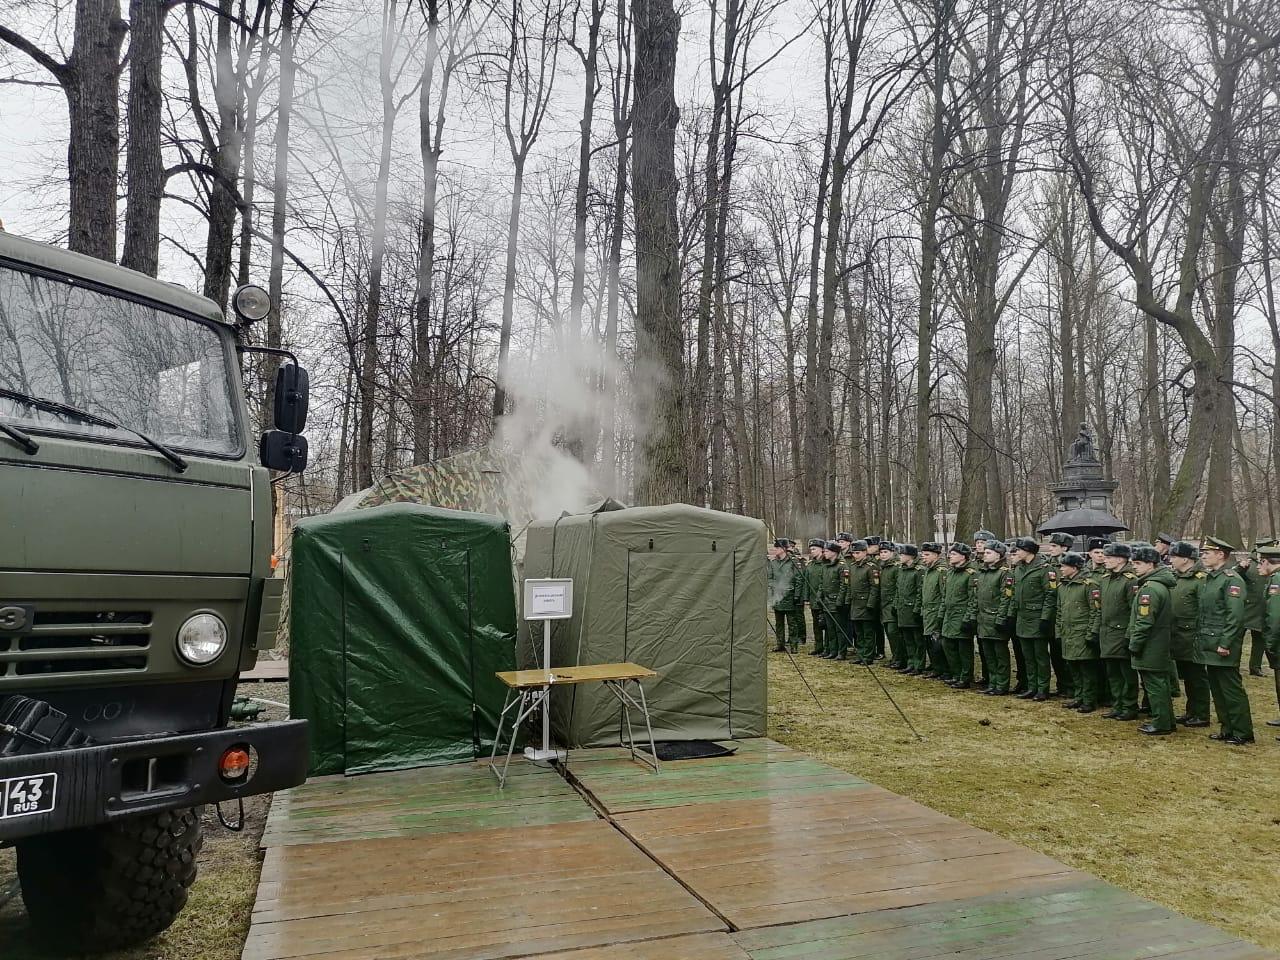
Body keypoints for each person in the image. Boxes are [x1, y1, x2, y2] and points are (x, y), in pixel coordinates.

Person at [1197, 536, 1253, 744]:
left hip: (1222, 643)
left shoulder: (1232, 580)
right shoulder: (1211, 578)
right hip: (1209, 641)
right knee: (1217, 687)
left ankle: (1242, 731)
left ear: (1221, 555)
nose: (1203, 556)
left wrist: (1226, 642)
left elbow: (1235, 615)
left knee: (1230, 687)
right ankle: (1227, 727)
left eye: (1207, 552)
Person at [1127, 544, 1177, 735]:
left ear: (1151, 564)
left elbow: (1144, 621)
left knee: (1155, 685)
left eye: (1138, 563)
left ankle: (1161, 723)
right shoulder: (1157, 586)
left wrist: (1135, 643)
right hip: (1158, 643)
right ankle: (1166, 720)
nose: (1135, 567)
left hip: (1151, 645)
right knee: (1160, 684)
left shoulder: (1150, 590)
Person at [1167, 540, 1211, 728]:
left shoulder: (1200, 580)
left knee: (1197, 677)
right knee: (1187, 676)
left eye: (1174, 557)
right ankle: (1191, 711)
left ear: (1186, 559)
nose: (1171, 560)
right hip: (1178, 635)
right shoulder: (1176, 577)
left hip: (1193, 636)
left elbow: (1205, 609)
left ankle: (1201, 714)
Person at [1010, 536, 1056, 701]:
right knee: (1027, 656)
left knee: (1040, 656)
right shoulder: (1018, 569)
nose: (1017, 552)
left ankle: (1043, 688)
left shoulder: (1045, 569)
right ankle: (1032, 686)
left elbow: (1050, 595)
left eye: (1020, 550)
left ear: (1028, 551)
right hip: (1022, 618)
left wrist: (1045, 618)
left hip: (1037, 618)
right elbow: (1013, 593)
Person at [1098, 542, 1139, 721]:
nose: (1104, 560)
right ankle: (1117, 705)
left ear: (1121, 559)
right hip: (1107, 633)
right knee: (1112, 672)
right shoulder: (1105, 579)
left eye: (1108, 557)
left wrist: (1129, 635)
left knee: (1126, 673)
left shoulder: (1131, 581)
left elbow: (1134, 611)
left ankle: (1129, 706)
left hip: (1122, 633)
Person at [1056, 552, 1102, 712]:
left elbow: (1096, 612)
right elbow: (1059, 611)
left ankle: (1089, 700)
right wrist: (1058, 632)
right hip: (1068, 633)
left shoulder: (1089, 585)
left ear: (1074, 568)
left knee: (1086, 669)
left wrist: (1091, 634)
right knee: (1073, 667)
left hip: (1082, 633)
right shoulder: (1062, 586)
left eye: (1064, 566)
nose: (1061, 569)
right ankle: (1079, 696)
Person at [974, 541, 1014, 695]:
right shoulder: (982, 572)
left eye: (989, 553)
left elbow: (1006, 597)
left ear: (999, 555)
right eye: (985, 552)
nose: (985, 555)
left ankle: (1002, 684)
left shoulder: (1004, 573)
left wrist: (1001, 618)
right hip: (983, 619)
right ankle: (992, 682)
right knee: (988, 654)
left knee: (1000, 654)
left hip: (996, 618)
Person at [941, 543, 979, 689]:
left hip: (962, 615)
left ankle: (965, 677)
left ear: (963, 557)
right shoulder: (950, 573)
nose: (950, 556)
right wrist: (941, 615)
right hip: (949, 615)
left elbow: (973, 598)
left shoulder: (970, 574)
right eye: (950, 553)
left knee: (963, 648)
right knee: (948, 645)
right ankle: (956, 674)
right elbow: (945, 596)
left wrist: (968, 618)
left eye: (954, 554)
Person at [1043, 532, 1075, 697]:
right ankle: (1062, 684)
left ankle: (1071, 686)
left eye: (1054, 546)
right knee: (1055, 654)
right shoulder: (1048, 565)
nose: (1051, 549)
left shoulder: (1071, 565)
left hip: (1065, 615)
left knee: (1066, 654)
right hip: (1051, 615)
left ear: (1065, 548)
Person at [1234, 544, 1269, 677]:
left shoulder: (1271, 563)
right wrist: (1240, 567)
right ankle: (1234, 664)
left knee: (1259, 641)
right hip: (1245, 607)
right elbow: (1234, 576)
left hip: (1261, 608)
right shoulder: (1248, 563)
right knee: (1237, 639)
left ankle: (1255, 667)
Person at [1257, 544, 1280, 737]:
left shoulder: (1277, 581)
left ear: (1267, 562)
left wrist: (1270, 644)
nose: (1258, 567)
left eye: (1260, 562)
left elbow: (1274, 616)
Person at [844, 539, 879, 663]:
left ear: (865, 552)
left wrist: (870, 604)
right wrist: (847, 601)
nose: (855, 555)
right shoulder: (852, 567)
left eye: (858, 553)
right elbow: (849, 586)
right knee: (858, 633)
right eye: (854, 553)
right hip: (855, 604)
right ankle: (861, 654)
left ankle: (868, 656)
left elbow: (875, 587)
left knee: (868, 632)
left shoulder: (871, 567)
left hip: (866, 605)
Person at [767, 539, 805, 653]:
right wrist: (773, 590)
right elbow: (769, 578)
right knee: (779, 623)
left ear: (784, 549)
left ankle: (794, 645)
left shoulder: (793, 562)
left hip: (790, 596)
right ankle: (780, 644)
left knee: (792, 622)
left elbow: (799, 580)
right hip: (777, 596)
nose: (775, 550)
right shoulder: (773, 563)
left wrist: (797, 595)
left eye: (777, 548)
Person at [813, 540, 848, 659]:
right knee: (830, 629)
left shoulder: (842, 566)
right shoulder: (825, 565)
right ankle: (832, 651)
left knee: (839, 629)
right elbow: (822, 583)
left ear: (834, 552)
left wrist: (840, 600)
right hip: (826, 602)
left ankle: (841, 652)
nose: (824, 553)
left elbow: (844, 585)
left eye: (827, 551)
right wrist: (819, 595)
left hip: (836, 602)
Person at [919, 542, 949, 680]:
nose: (923, 557)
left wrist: (940, 614)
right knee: (929, 641)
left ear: (936, 555)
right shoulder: (928, 570)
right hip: (927, 611)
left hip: (936, 612)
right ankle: (937, 668)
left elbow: (944, 594)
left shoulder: (941, 571)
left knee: (937, 642)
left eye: (927, 555)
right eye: (922, 554)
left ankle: (944, 670)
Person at [895, 545, 924, 673]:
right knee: (907, 639)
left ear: (910, 556)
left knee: (917, 639)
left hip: (912, 610)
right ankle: (911, 662)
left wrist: (917, 609)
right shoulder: (901, 570)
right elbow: (898, 589)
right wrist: (895, 604)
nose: (900, 557)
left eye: (902, 554)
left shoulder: (918, 571)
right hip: (902, 609)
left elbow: (920, 591)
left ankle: (919, 664)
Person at [878, 541, 902, 668]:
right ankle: (895, 657)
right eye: (881, 552)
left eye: (885, 552)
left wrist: (895, 604)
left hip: (892, 604)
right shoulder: (884, 566)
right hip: (884, 604)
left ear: (892, 552)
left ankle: (899, 658)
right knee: (889, 631)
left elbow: (898, 587)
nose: (882, 555)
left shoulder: (896, 567)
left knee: (893, 632)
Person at [804, 538, 828, 656]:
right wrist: (806, 598)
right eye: (811, 549)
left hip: (825, 599)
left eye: (814, 549)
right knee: (816, 625)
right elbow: (806, 582)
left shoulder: (826, 564)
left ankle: (828, 648)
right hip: (813, 599)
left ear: (822, 550)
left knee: (827, 625)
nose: (812, 551)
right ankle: (818, 646)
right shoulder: (810, 565)